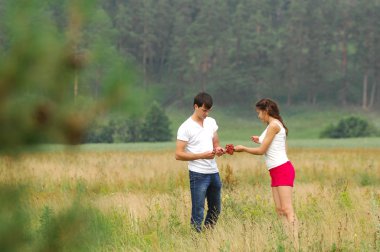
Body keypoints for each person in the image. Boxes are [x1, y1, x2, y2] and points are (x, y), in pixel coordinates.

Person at [234, 98, 298, 247]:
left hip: (282, 169)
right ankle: (285, 241)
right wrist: (259, 139)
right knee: (279, 210)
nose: (258, 116)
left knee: (287, 209)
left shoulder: (274, 125)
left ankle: (296, 244)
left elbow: (262, 151)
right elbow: (271, 143)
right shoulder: (272, 125)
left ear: (266, 111)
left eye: (259, 113)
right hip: (275, 171)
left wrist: (243, 149)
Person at [175, 92, 224, 232]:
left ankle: (207, 238)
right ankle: (195, 242)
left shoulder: (211, 122)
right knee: (198, 211)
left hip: (214, 172)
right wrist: (202, 155)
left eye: (209, 110)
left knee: (216, 209)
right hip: (198, 174)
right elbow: (178, 154)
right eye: (204, 110)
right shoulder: (185, 127)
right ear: (195, 106)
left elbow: (216, 142)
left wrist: (218, 149)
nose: (206, 113)